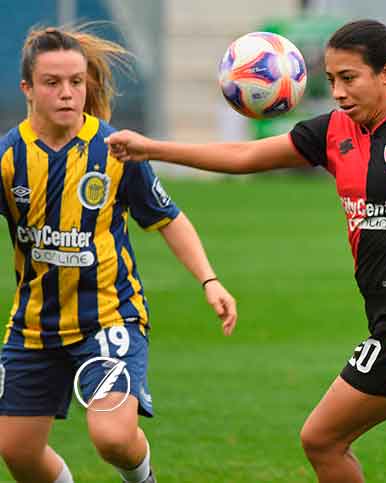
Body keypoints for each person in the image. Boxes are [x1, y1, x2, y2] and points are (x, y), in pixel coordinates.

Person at [106, 18, 386, 483]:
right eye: (331, 80)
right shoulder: (333, 131)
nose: (338, 92)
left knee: (322, 440)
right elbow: (244, 158)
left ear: (385, 73)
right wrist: (153, 148)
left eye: (349, 78)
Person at [0, 26, 237, 483]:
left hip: (109, 318)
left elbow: (169, 218)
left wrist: (210, 280)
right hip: (33, 325)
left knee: (112, 437)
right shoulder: (9, 157)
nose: (68, 93)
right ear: (27, 88)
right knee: (17, 453)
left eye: (76, 81)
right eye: (53, 83)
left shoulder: (116, 150)